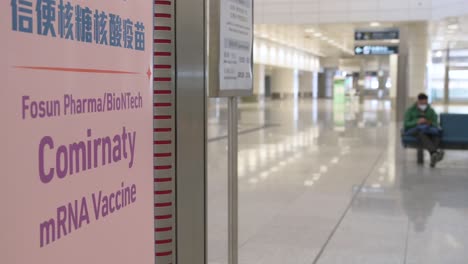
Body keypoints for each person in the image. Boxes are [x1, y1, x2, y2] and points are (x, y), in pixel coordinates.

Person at [404, 93, 444, 167]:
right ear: (418, 102)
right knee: (421, 133)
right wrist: (417, 122)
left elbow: (435, 122)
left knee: (435, 135)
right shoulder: (410, 111)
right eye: (422, 103)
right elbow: (406, 124)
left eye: (425, 103)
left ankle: (433, 156)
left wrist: (429, 123)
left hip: (428, 130)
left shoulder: (431, 111)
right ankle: (434, 153)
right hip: (414, 130)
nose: (423, 105)